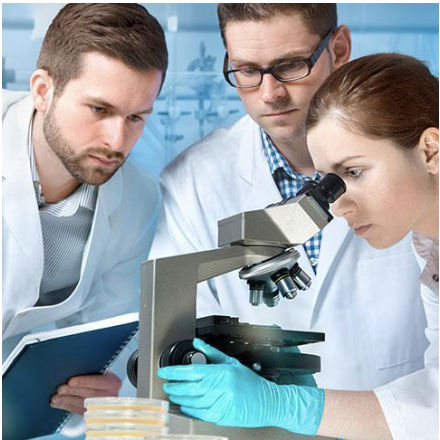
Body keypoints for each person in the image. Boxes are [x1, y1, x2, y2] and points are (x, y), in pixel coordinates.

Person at [158, 53, 439, 439]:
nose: (338, 206)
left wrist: (286, 405)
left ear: (430, 151)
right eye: (327, 181)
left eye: (353, 172)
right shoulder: (429, 247)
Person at [2, 3, 167, 417]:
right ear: (43, 90)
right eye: (100, 110)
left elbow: (101, 335)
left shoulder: (138, 199)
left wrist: (97, 386)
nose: (117, 141)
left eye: (136, 117)